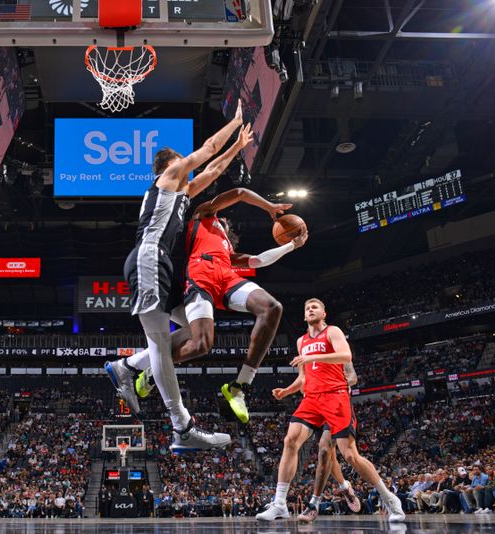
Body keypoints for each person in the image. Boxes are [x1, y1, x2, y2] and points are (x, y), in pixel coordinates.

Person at [105, 102, 251, 450]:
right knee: (159, 343)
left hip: (162, 265)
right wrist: (234, 123)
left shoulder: (181, 193)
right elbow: (207, 151)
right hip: (149, 258)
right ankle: (182, 427)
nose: (188, 165)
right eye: (182, 161)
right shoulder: (166, 179)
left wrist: (238, 148)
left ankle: (125, 367)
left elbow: (213, 169)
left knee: (191, 328)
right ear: (169, 166)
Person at [117, 188, 299, 424]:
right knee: (202, 344)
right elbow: (241, 192)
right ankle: (153, 371)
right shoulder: (203, 215)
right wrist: (269, 206)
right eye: (224, 218)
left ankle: (239, 386)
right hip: (200, 275)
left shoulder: (228, 250)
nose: (225, 220)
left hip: (227, 277)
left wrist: (292, 245)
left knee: (272, 308)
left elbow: (259, 260)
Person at [257, 298, 405, 522]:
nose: (311, 310)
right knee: (290, 440)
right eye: (307, 308)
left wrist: (313, 356)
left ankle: (390, 499)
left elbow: (346, 356)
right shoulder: (301, 341)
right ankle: (279, 503)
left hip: (335, 396)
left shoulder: (333, 332)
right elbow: (304, 378)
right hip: (312, 399)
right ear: (304, 316)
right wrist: (287, 391)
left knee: (350, 455)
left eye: (315, 307)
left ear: (324, 313)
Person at [294, 362, 361, 522]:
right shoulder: (307, 357)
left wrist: (330, 385)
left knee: (326, 450)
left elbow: (352, 378)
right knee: (328, 455)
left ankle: (313, 504)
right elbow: (303, 387)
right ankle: (345, 486)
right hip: (317, 407)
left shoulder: (338, 351)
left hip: (337, 405)